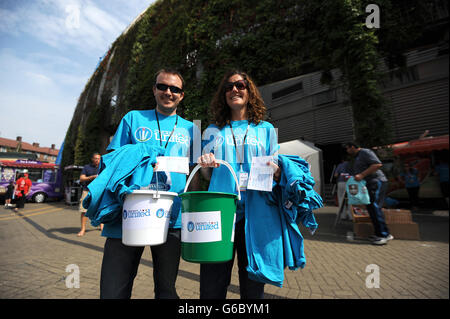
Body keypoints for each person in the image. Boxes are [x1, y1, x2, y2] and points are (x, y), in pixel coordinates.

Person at [99, 68, 195, 299]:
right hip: (129, 212)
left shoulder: (193, 129)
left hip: (171, 216)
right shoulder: (133, 118)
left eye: (175, 89)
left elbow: (197, 174)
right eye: (162, 86)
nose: (168, 92)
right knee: (113, 290)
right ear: (154, 89)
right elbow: (113, 162)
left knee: (166, 289)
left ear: (182, 95)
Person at [198, 70, 281, 299]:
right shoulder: (213, 130)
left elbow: (277, 171)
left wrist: (276, 169)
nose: (234, 89)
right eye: (228, 87)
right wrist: (205, 163)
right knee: (211, 287)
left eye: (240, 85)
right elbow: (206, 174)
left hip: (255, 215)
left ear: (249, 91)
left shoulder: (265, 129)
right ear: (223, 95)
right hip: (220, 215)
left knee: (253, 287)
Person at [344, 142, 393, 245]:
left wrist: (361, 175)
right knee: (371, 208)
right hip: (369, 184)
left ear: (353, 147)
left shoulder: (365, 152)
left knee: (375, 208)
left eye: (348, 149)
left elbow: (377, 164)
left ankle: (383, 235)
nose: (347, 151)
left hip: (376, 182)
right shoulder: (358, 156)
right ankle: (379, 233)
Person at [78, 152, 101, 237]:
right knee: (84, 210)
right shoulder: (87, 167)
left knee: (100, 209)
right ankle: (83, 229)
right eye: (95, 158)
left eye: (98, 158)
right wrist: (92, 177)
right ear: (92, 159)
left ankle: (102, 226)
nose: (97, 160)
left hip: (98, 191)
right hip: (87, 191)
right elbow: (81, 178)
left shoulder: (103, 167)